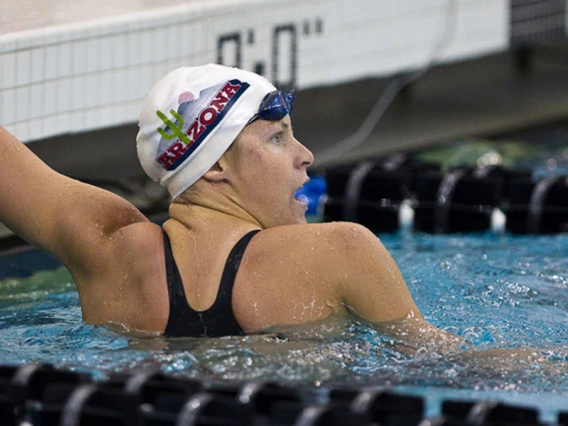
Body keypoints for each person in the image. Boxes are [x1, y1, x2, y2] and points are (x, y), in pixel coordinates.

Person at [0, 64, 461, 351]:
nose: (306, 155)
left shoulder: (107, 250)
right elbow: (452, 364)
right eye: (278, 137)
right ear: (218, 164)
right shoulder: (339, 250)